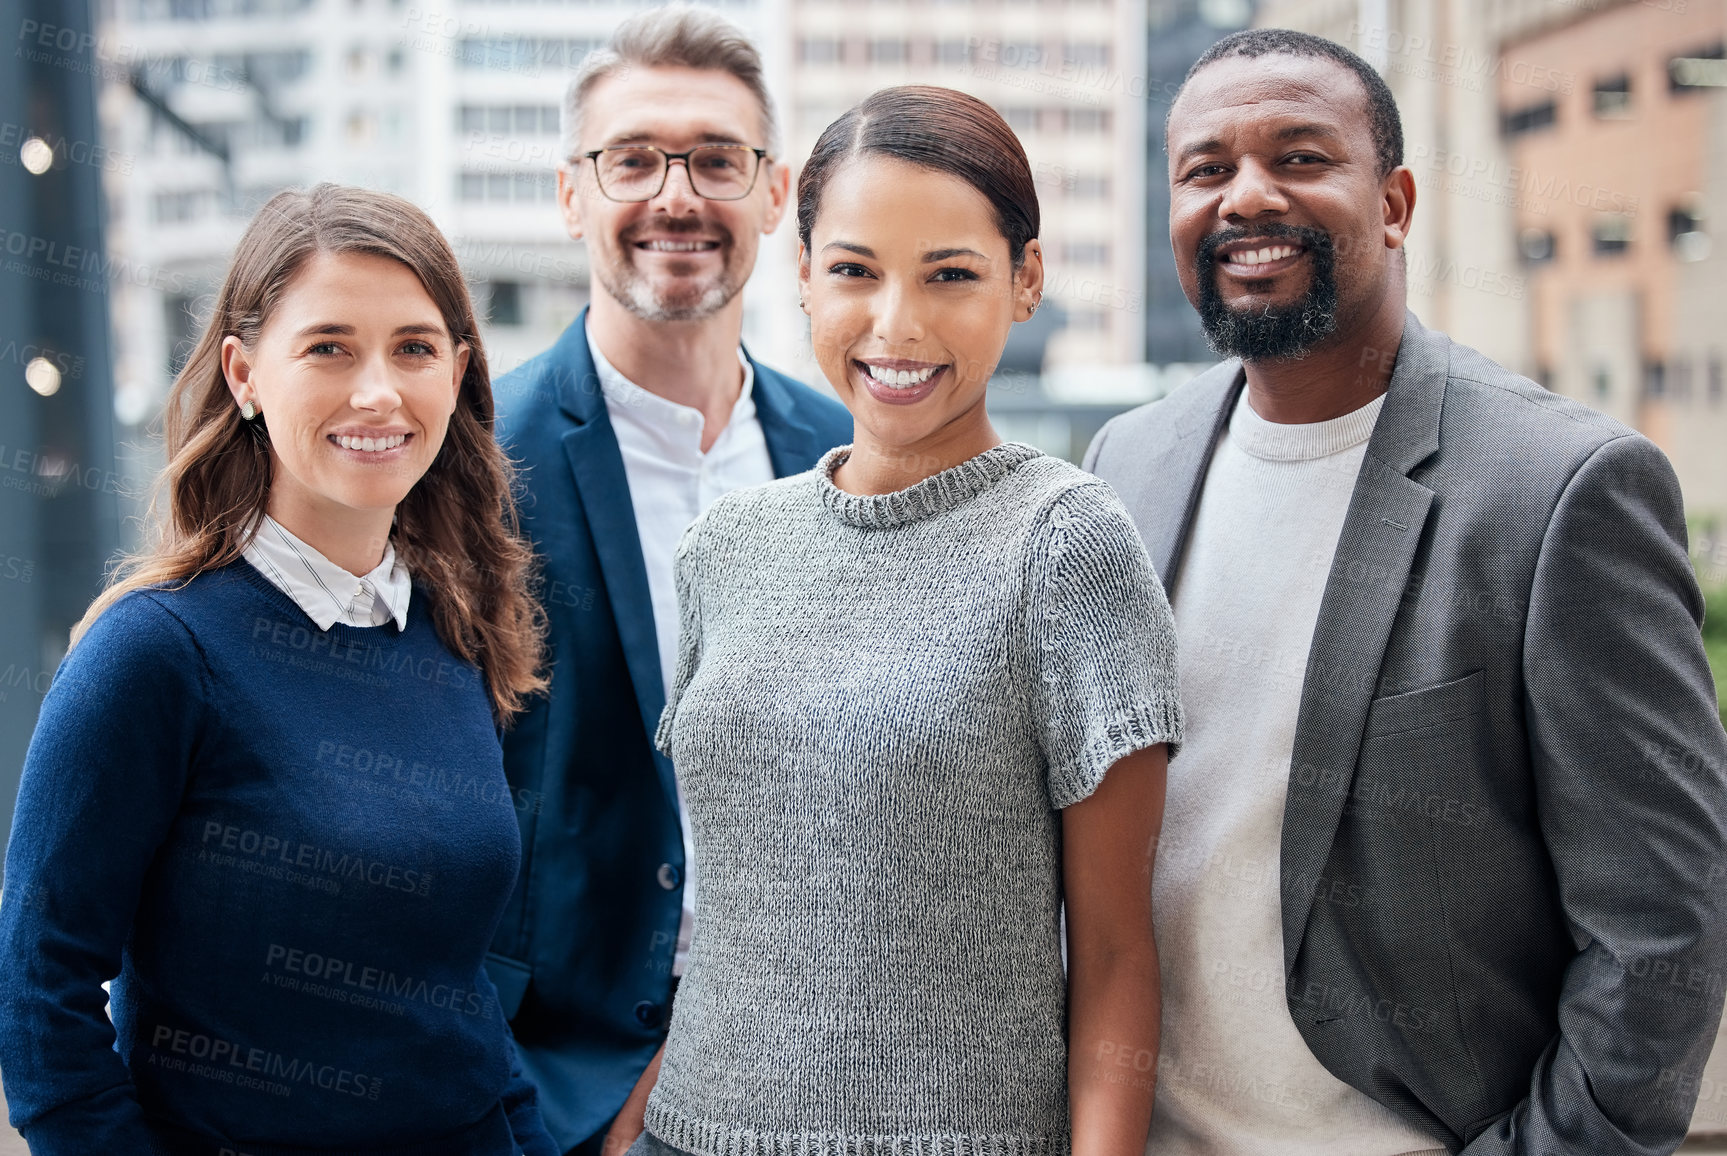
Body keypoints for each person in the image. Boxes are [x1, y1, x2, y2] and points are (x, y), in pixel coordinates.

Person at [1085, 28, 1727, 1156]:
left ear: (1392, 202)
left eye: (1297, 157)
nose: (1246, 198)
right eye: (1204, 169)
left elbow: (1661, 934)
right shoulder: (1125, 463)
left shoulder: (1559, 489)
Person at [611, 84, 1181, 1156]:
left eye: (950, 275)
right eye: (854, 271)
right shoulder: (725, 548)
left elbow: (1113, 953)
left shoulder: (1064, 546)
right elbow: (744, 903)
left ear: (1026, 279)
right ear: (804, 277)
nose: (894, 325)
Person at [0, 184, 558, 1155]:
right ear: (245, 373)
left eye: (414, 348)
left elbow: (454, 989)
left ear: (458, 372)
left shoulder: (453, 629)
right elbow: (35, 989)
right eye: (329, 346)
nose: (378, 389)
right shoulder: (153, 654)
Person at [484, 8, 851, 1154]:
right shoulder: (472, 458)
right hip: (561, 1084)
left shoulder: (845, 452)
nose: (676, 196)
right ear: (571, 194)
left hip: (815, 1071)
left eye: (715, 160)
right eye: (632, 159)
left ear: (773, 190)